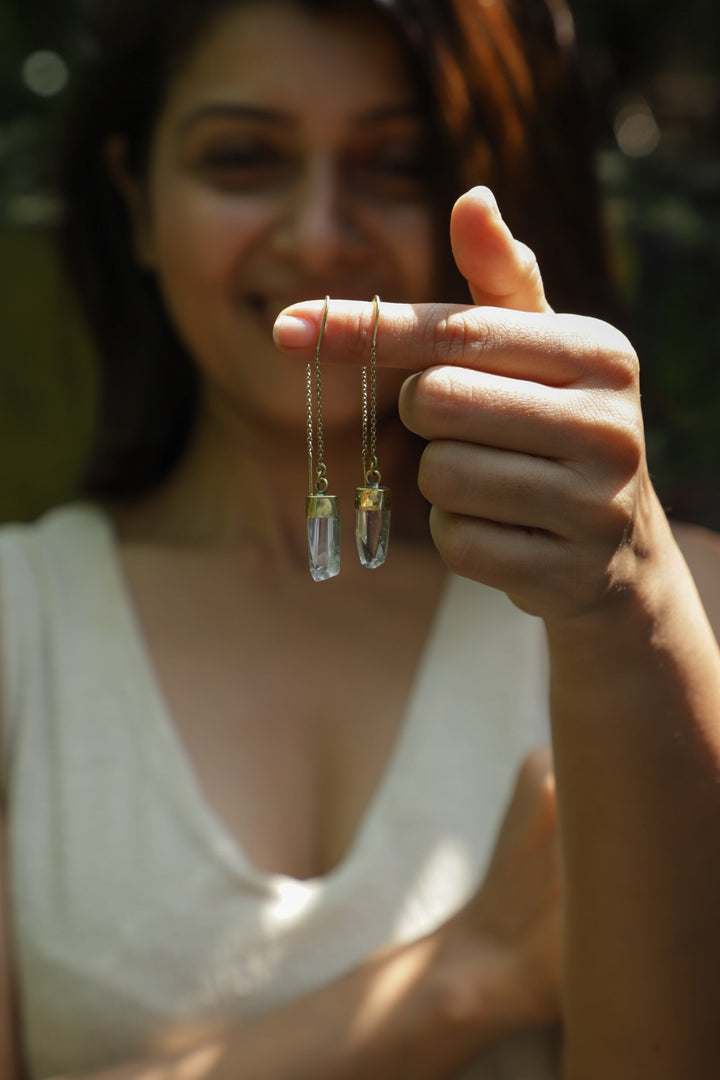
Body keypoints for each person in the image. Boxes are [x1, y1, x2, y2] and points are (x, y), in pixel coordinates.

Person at [1, 0, 719, 1077]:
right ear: (137, 204)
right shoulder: (23, 625)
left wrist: (636, 608)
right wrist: (460, 979)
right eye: (243, 158)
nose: (319, 233)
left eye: (397, 162)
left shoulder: (679, 612)